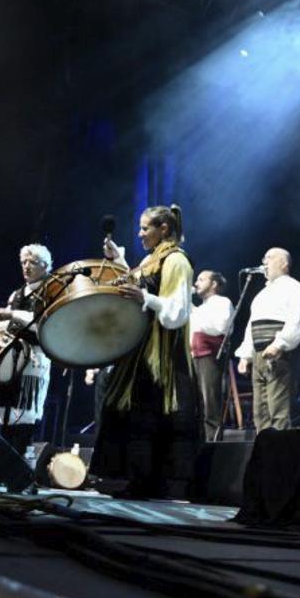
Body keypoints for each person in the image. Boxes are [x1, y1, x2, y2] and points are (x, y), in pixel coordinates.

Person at [90, 205, 199, 498]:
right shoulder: (152, 259)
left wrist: (146, 298)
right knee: (130, 412)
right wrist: (120, 260)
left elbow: (177, 312)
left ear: (164, 229)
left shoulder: (177, 260)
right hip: (140, 348)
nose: (139, 234)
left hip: (159, 354)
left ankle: (148, 482)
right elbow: (141, 285)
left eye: (145, 228)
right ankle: (128, 478)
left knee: (147, 416)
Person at [0, 244, 53, 456]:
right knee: (5, 412)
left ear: (45, 266)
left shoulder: (50, 290)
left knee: (26, 413)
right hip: (12, 359)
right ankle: (3, 466)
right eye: (24, 262)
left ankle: (20, 469)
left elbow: (43, 324)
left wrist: (12, 315)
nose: (26, 267)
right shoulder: (16, 294)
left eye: (32, 263)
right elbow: (6, 324)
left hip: (34, 360)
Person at [235, 248, 300, 432]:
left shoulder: (294, 287)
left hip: (278, 354)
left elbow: (296, 321)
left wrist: (278, 344)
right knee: (260, 412)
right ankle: (264, 452)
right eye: (264, 257)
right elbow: (251, 326)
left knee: (278, 409)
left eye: (269, 257)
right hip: (259, 354)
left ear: (284, 263)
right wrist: (246, 356)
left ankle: (281, 455)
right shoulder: (262, 294)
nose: (264, 261)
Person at [190, 270, 232, 441]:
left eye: (201, 279)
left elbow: (220, 327)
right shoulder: (200, 308)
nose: (196, 283)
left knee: (210, 402)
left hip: (209, 355)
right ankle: (200, 442)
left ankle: (212, 443)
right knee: (196, 403)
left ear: (214, 284)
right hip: (194, 356)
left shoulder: (222, 302)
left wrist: (194, 312)